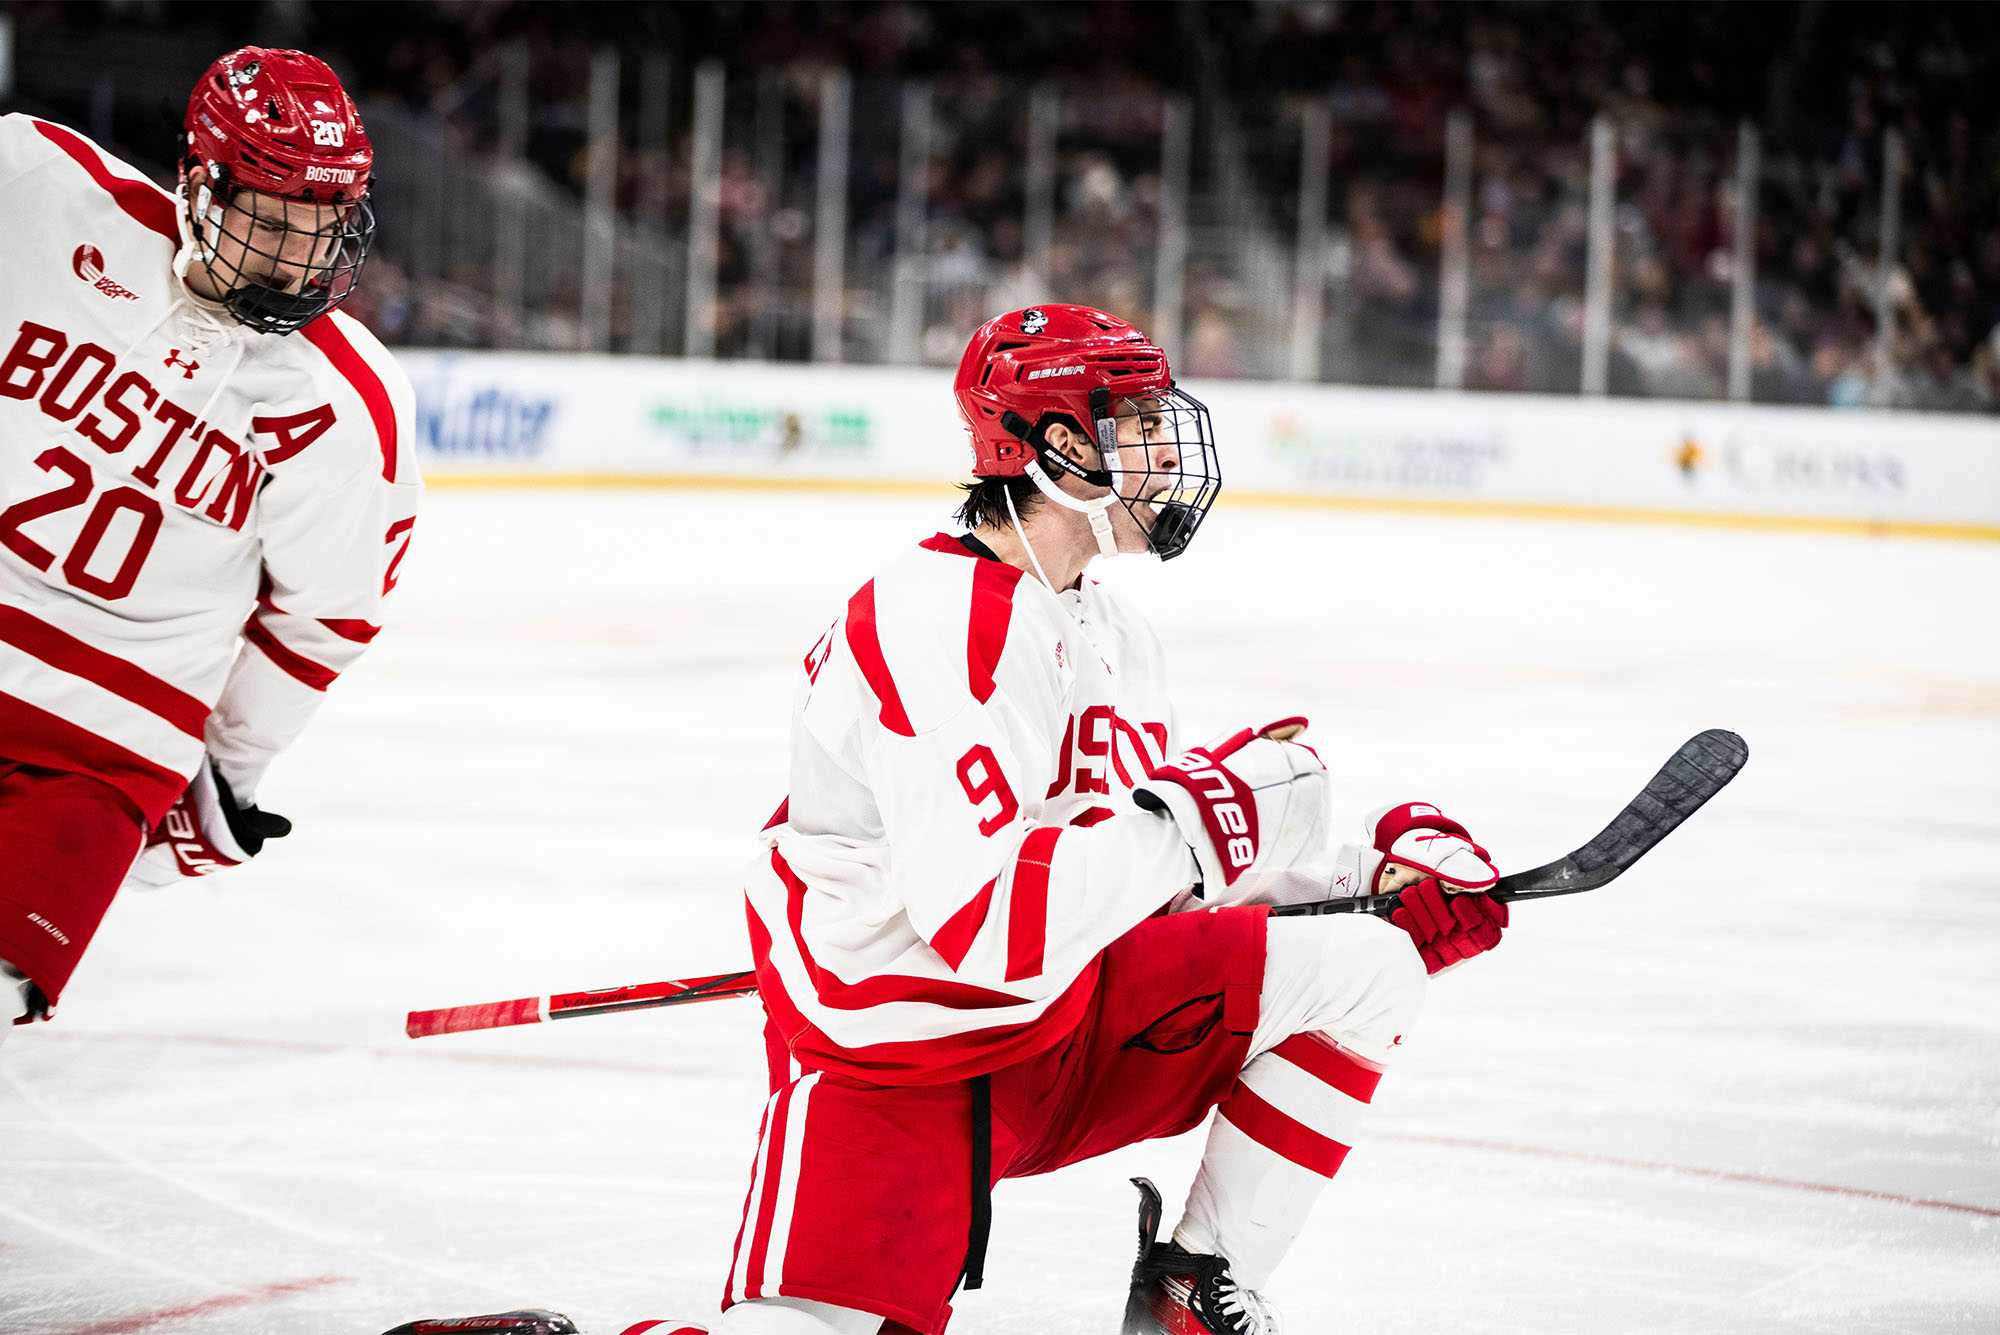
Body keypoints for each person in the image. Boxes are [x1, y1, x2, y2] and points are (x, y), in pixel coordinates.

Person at [396, 306, 1505, 1335]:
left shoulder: (1114, 634)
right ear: (1051, 445)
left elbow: (1137, 881)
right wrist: (1208, 816)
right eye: (1136, 426)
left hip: (1063, 1029)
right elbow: (994, 927)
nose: (1165, 453)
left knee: (1361, 965)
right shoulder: (930, 622)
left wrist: (1357, 877)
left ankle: (1190, 1290)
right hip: (896, 1065)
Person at [0, 46, 419, 1033]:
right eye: (270, 221)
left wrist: (230, 769)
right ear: (197, 180)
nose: (294, 257)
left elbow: (327, 616)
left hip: (101, 751)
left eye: (319, 229)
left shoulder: (348, 408)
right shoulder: (34, 194)